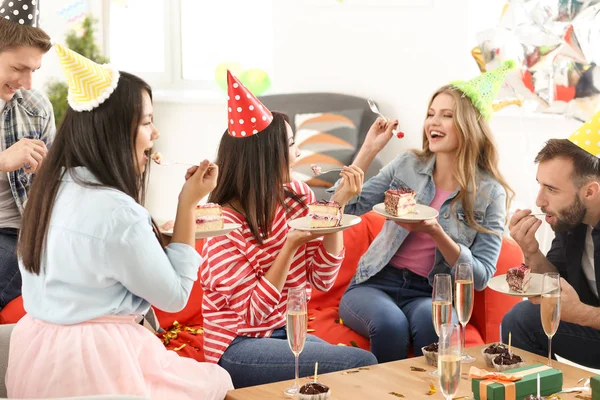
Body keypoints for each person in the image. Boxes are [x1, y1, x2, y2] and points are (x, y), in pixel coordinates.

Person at [7, 44, 233, 399]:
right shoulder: (118, 213)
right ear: (114, 132)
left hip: (36, 357)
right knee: (217, 382)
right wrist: (187, 203)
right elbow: (174, 297)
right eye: (146, 122)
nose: (155, 133)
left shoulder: (49, 188)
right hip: (98, 364)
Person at [200, 71, 377, 388]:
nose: (298, 153)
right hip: (236, 346)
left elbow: (322, 277)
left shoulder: (297, 196)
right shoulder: (221, 225)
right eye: (292, 144)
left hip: (286, 332)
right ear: (265, 156)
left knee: (358, 370)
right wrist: (290, 245)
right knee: (361, 364)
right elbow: (254, 314)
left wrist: (337, 204)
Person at [336, 61, 516, 363]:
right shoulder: (408, 165)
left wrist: (436, 232)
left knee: (433, 324)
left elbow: (482, 276)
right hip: (375, 282)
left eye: (447, 116)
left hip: (430, 291)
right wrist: (369, 151)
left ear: (470, 126)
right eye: (431, 114)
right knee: (390, 325)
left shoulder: (490, 192)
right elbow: (346, 205)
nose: (434, 122)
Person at [502, 112, 600, 369]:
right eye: (540, 185)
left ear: (590, 191)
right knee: (521, 319)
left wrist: (582, 314)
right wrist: (531, 251)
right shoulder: (571, 222)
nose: (539, 200)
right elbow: (554, 283)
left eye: (552, 189)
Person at [0, 1, 55, 309]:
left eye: (33, 70)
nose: (28, 83)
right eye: (18, 69)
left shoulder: (36, 108)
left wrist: (47, 178)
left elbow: (53, 188)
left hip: (12, 234)